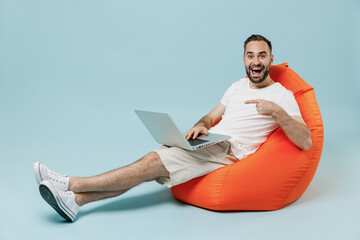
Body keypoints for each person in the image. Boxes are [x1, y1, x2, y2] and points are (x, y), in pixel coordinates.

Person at [34, 34, 312, 222]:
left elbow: (306, 141)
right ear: (243, 59)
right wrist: (200, 126)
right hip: (211, 142)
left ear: (271, 59)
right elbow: (212, 115)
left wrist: (278, 113)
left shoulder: (282, 96)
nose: (256, 62)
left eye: (262, 56)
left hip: (228, 150)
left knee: (149, 164)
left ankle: (70, 183)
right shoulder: (236, 87)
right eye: (250, 56)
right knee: (148, 167)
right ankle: (75, 201)